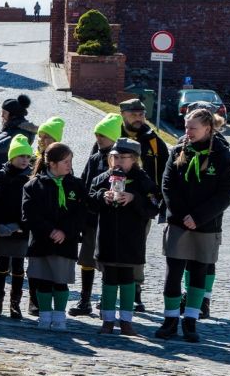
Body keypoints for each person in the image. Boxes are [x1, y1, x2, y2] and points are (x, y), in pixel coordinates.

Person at [156, 107, 230, 343]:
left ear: (208, 128)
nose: (187, 131)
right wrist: (181, 215)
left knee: (198, 273)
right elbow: (167, 185)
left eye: (193, 128)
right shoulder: (179, 150)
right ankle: (170, 319)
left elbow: (225, 194)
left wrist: (198, 217)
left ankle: (190, 321)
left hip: (206, 224)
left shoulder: (223, 156)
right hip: (179, 222)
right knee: (173, 273)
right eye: (186, 127)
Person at [89, 138, 159, 336]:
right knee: (109, 279)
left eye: (123, 158)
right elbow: (89, 201)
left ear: (134, 160)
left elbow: (153, 207)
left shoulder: (143, 180)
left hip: (131, 240)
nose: (118, 161)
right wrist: (102, 196)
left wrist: (134, 198)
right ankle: (108, 320)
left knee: (128, 280)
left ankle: (126, 321)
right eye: (114, 157)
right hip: (108, 239)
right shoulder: (102, 178)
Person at [23, 143, 87, 331]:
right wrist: (50, 230)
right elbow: (29, 215)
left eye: (70, 161)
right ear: (51, 163)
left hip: (65, 242)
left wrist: (65, 231)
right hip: (42, 241)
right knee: (43, 281)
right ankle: (44, 315)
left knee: (60, 281)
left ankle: (59, 317)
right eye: (65, 161)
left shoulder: (76, 185)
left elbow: (81, 213)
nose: (69, 165)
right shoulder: (34, 185)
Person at [117, 98, 170, 312]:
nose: (138, 118)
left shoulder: (154, 141)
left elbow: (166, 175)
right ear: (123, 115)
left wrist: (158, 203)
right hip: (112, 202)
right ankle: (110, 289)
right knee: (110, 244)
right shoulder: (113, 133)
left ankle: (135, 291)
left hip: (140, 207)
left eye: (141, 114)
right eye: (134, 114)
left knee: (136, 247)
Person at [68, 114, 123, 317]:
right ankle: (85, 299)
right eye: (97, 134)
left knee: (108, 261)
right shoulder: (94, 158)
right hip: (92, 218)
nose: (98, 138)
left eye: (102, 135)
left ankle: (106, 299)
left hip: (110, 220)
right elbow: (84, 184)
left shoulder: (120, 159)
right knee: (87, 260)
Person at [0, 134, 34, 319]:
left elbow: (32, 207)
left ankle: (15, 304)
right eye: (21, 156)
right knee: (1, 266)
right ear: (12, 157)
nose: (24, 160)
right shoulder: (1, 176)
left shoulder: (30, 178)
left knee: (18, 267)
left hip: (21, 229)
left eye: (27, 156)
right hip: (3, 228)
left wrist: (21, 225)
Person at [0, 95, 36, 164]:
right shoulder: (11, 126)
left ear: (13, 115)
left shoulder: (21, 133)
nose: (2, 115)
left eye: (4, 113)